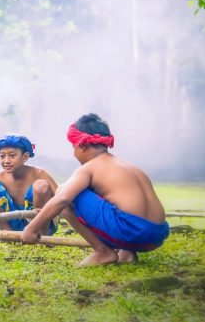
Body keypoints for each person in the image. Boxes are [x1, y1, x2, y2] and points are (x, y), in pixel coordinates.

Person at [20, 114, 170, 267]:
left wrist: (31, 228)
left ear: (82, 145)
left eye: (74, 147)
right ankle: (127, 251)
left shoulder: (89, 168)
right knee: (102, 196)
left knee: (65, 194)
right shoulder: (128, 166)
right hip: (158, 234)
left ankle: (102, 251)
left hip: (131, 231)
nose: (74, 153)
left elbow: (62, 199)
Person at [0, 134, 59, 235]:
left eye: (12, 156)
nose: (6, 161)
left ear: (25, 157)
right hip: (12, 223)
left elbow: (61, 198)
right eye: (2, 156)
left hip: (41, 224)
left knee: (41, 186)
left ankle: (41, 236)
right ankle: (9, 234)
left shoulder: (39, 173)